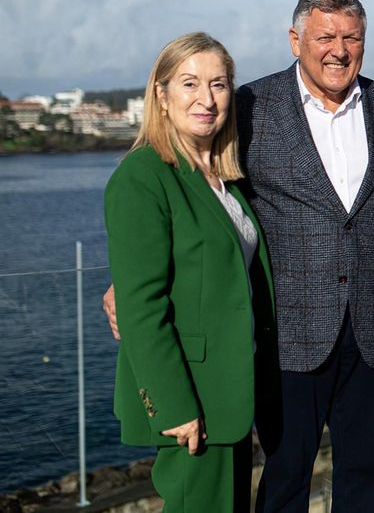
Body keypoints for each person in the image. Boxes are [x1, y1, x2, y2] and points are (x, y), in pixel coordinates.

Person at [106, 0, 374, 512]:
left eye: (352, 37)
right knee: (284, 478)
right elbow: (191, 190)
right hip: (286, 329)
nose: (339, 49)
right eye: (325, 35)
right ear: (294, 40)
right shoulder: (248, 105)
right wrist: (128, 279)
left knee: (366, 475)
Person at [105, 32, 275, 512]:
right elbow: (141, 309)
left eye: (219, 84)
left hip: (231, 394)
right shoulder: (142, 177)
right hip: (194, 399)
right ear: (160, 94)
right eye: (190, 83)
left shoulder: (224, 179)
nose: (207, 98)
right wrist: (175, 408)